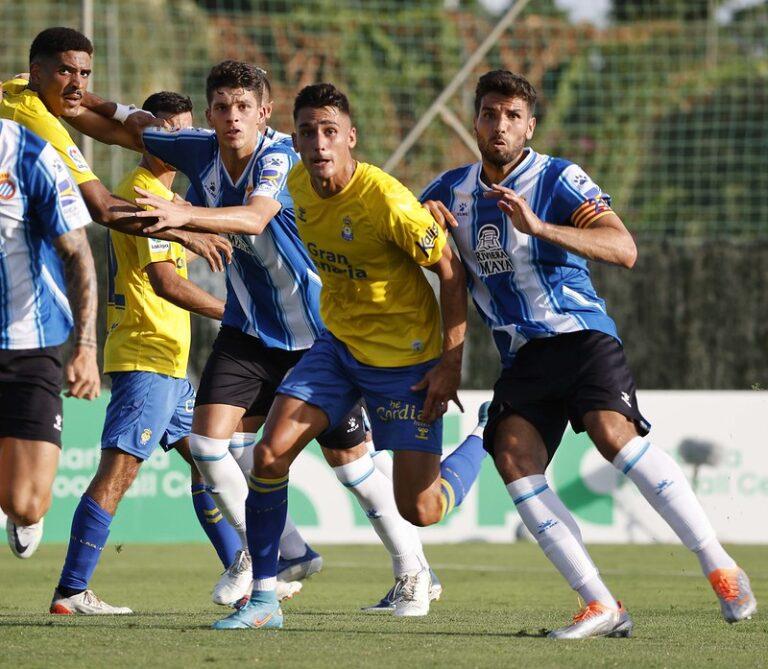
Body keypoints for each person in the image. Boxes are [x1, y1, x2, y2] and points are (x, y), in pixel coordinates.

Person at [76, 62, 455, 614]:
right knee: (206, 445)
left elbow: (255, 219)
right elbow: (125, 128)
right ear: (210, 114)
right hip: (248, 330)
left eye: (243, 108)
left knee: (352, 467)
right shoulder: (199, 150)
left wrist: (186, 214)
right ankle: (267, 553)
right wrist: (60, 103)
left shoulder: (278, 154)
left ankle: (413, 571)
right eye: (223, 107)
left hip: (316, 335)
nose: (233, 118)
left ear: (265, 113)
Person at [420, 69, 757, 638]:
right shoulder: (447, 193)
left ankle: (719, 564)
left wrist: (539, 226)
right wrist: (417, 229)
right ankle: (601, 603)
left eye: (512, 116)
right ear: (475, 120)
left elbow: (623, 248)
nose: (499, 124)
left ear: (529, 126)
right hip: (522, 358)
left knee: (610, 433)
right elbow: (433, 267)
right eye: (489, 113)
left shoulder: (557, 177)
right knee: (511, 455)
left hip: (579, 336)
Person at [206, 82, 487, 631]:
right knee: (269, 455)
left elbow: (451, 270)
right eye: (307, 131)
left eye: (329, 131)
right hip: (336, 349)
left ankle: (482, 435)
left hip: (406, 361)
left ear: (350, 137)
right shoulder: (294, 186)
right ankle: (265, 597)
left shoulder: (386, 201)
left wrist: (450, 363)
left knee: (421, 510)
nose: (318, 142)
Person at [47, 91, 254, 614]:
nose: (177, 141)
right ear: (146, 136)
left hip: (165, 360)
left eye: (186, 131)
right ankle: (72, 590)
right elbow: (165, 283)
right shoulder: (143, 194)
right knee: (117, 473)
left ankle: (244, 568)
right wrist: (234, 315)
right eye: (167, 130)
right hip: (146, 356)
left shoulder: (168, 198)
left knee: (208, 464)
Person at [0, 27, 231, 272]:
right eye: (65, 71)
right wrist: (186, 234)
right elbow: (103, 208)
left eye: (85, 73)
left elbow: (104, 125)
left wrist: (125, 113)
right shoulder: (35, 120)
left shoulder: (18, 90)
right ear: (39, 74)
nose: (78, 83)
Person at [0, 118, 98, 558]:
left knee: (24, 503)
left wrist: (86, 347)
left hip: (30, 344)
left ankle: (25, 511)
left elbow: (77, 253)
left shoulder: (29, 155)